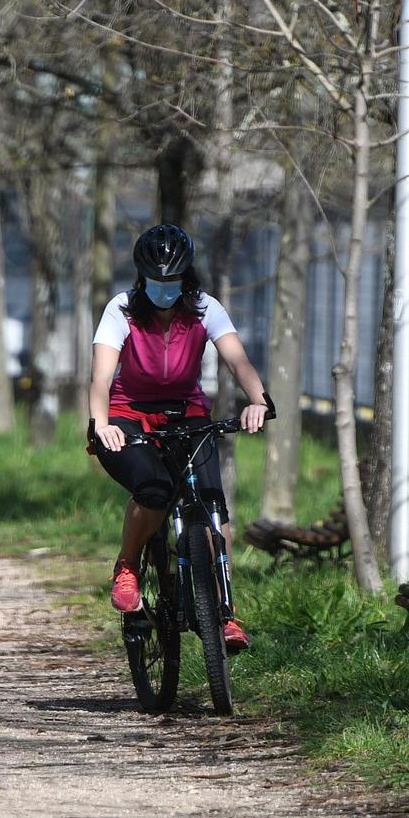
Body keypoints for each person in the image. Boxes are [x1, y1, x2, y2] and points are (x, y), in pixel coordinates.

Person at [88, 224, 268, 652]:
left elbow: (238, 361)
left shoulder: (205, 309)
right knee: (153, 491)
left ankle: (225, 612)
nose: (163, 290)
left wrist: (259, 400)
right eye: (155, 282)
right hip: (128, 416)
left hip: (187, 414)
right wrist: (101, 423)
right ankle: (128, 565)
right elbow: (100, 379)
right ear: (141, 278)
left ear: (186, 277)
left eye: (171, 282)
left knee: (213, 506)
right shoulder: (122, 310)